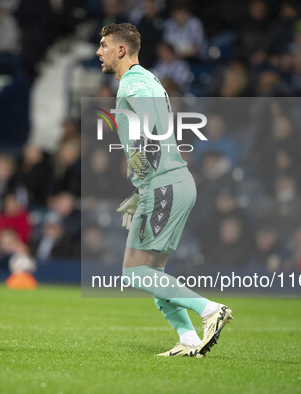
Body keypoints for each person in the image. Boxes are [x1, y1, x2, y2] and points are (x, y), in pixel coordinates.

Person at [96, 23, 232, 358]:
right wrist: (142, 186)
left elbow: (152, 125)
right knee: (152, 272)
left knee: (135, 271)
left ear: (121, 50)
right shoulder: (147, 78)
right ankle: (187, 340)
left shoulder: (135, 81)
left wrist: (147, 167)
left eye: (103, 45)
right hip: (168, 183)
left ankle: (209, 310)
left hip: (164, 184)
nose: (99, 52)